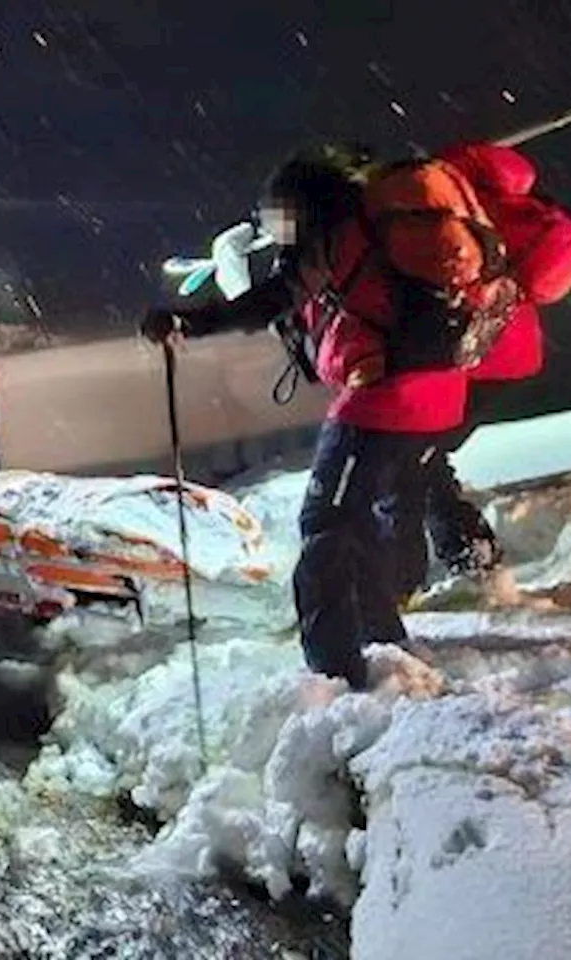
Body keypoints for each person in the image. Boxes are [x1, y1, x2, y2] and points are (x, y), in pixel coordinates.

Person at [141, 143, 488, 690]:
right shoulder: (380, 229)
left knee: (326, 525)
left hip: (381, 400)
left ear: (302, 206)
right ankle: (380, 636)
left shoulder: (334, 236)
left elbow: (269, 300)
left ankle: (334, 669)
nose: (279, 232)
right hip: (438, 391)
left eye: (280, 218)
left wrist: (190, 323)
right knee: (364, 522)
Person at [403, 141, 571, 595]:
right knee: (419, 455)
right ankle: (458, 555)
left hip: (471, 361)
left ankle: (465, 559)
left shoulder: (455, 212)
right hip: (511, 356)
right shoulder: (511, 207)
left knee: (412, 457)